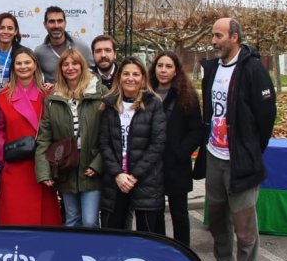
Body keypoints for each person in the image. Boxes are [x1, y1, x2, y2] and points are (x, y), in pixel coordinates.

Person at [194, 17, 277, 261]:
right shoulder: (212, 68)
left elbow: (266, 115)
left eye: (219, 36)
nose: (213, 41)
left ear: (235, 37)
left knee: (243, 221)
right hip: (213, 155)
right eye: (213, 35)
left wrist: (250, 148)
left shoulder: (253, 68)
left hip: (240, 160)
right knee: (217, 217)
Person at [35, 49, 106, 228]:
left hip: (91, 165)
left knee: (89, 221)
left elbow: (110, 134)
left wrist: (98, 164)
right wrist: (44, 171)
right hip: (66, 166)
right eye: (65, 64)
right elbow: (44, 137)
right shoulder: (53, 97)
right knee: (72, 219)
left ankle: (93, 248)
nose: (70, 68)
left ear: (82, 66)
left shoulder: (99, 92)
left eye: (75, 63)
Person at [98, 56, 166, 234]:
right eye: (126, 74)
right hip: (116, 181)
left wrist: (134, 176)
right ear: (119, 77)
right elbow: (104, 143)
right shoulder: (109, 105)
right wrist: (118, 174)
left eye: (136, 74)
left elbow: (157, 144)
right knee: (113, 235)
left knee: (147, 236)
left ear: (143, 78)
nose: (130, 78)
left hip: (145, 180)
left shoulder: (154, 104)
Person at [0, 48, 60, 225]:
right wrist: (3, 159)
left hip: (41, 165)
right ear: (13, 67)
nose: (23, 67)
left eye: (27, 62)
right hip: (15, 165)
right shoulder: (3, 97)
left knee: (44, 219)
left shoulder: (48, 94)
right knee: (15, 216)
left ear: (35, 65)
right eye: (19, 63)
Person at [150, 51, 204, 247]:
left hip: (177, 165)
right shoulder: (146, 93)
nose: (163, 70)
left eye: (168, 66)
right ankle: (160, 250)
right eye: (160, 66)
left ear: (176, 71)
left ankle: (182, 251)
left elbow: (196, 130)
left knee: (179, 213)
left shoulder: (186, 95)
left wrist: (180, 153)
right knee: (155, 213)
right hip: (152, 165)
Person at [34, 6, 95, 84]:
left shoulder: (81, 46)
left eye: (60, 21)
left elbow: (93, 72)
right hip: (54, 92)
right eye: (52, 21)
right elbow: (36, 78)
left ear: (65, 23)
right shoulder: (39, 52)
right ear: (45, 25)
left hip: (80, 91)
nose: (56, 26)